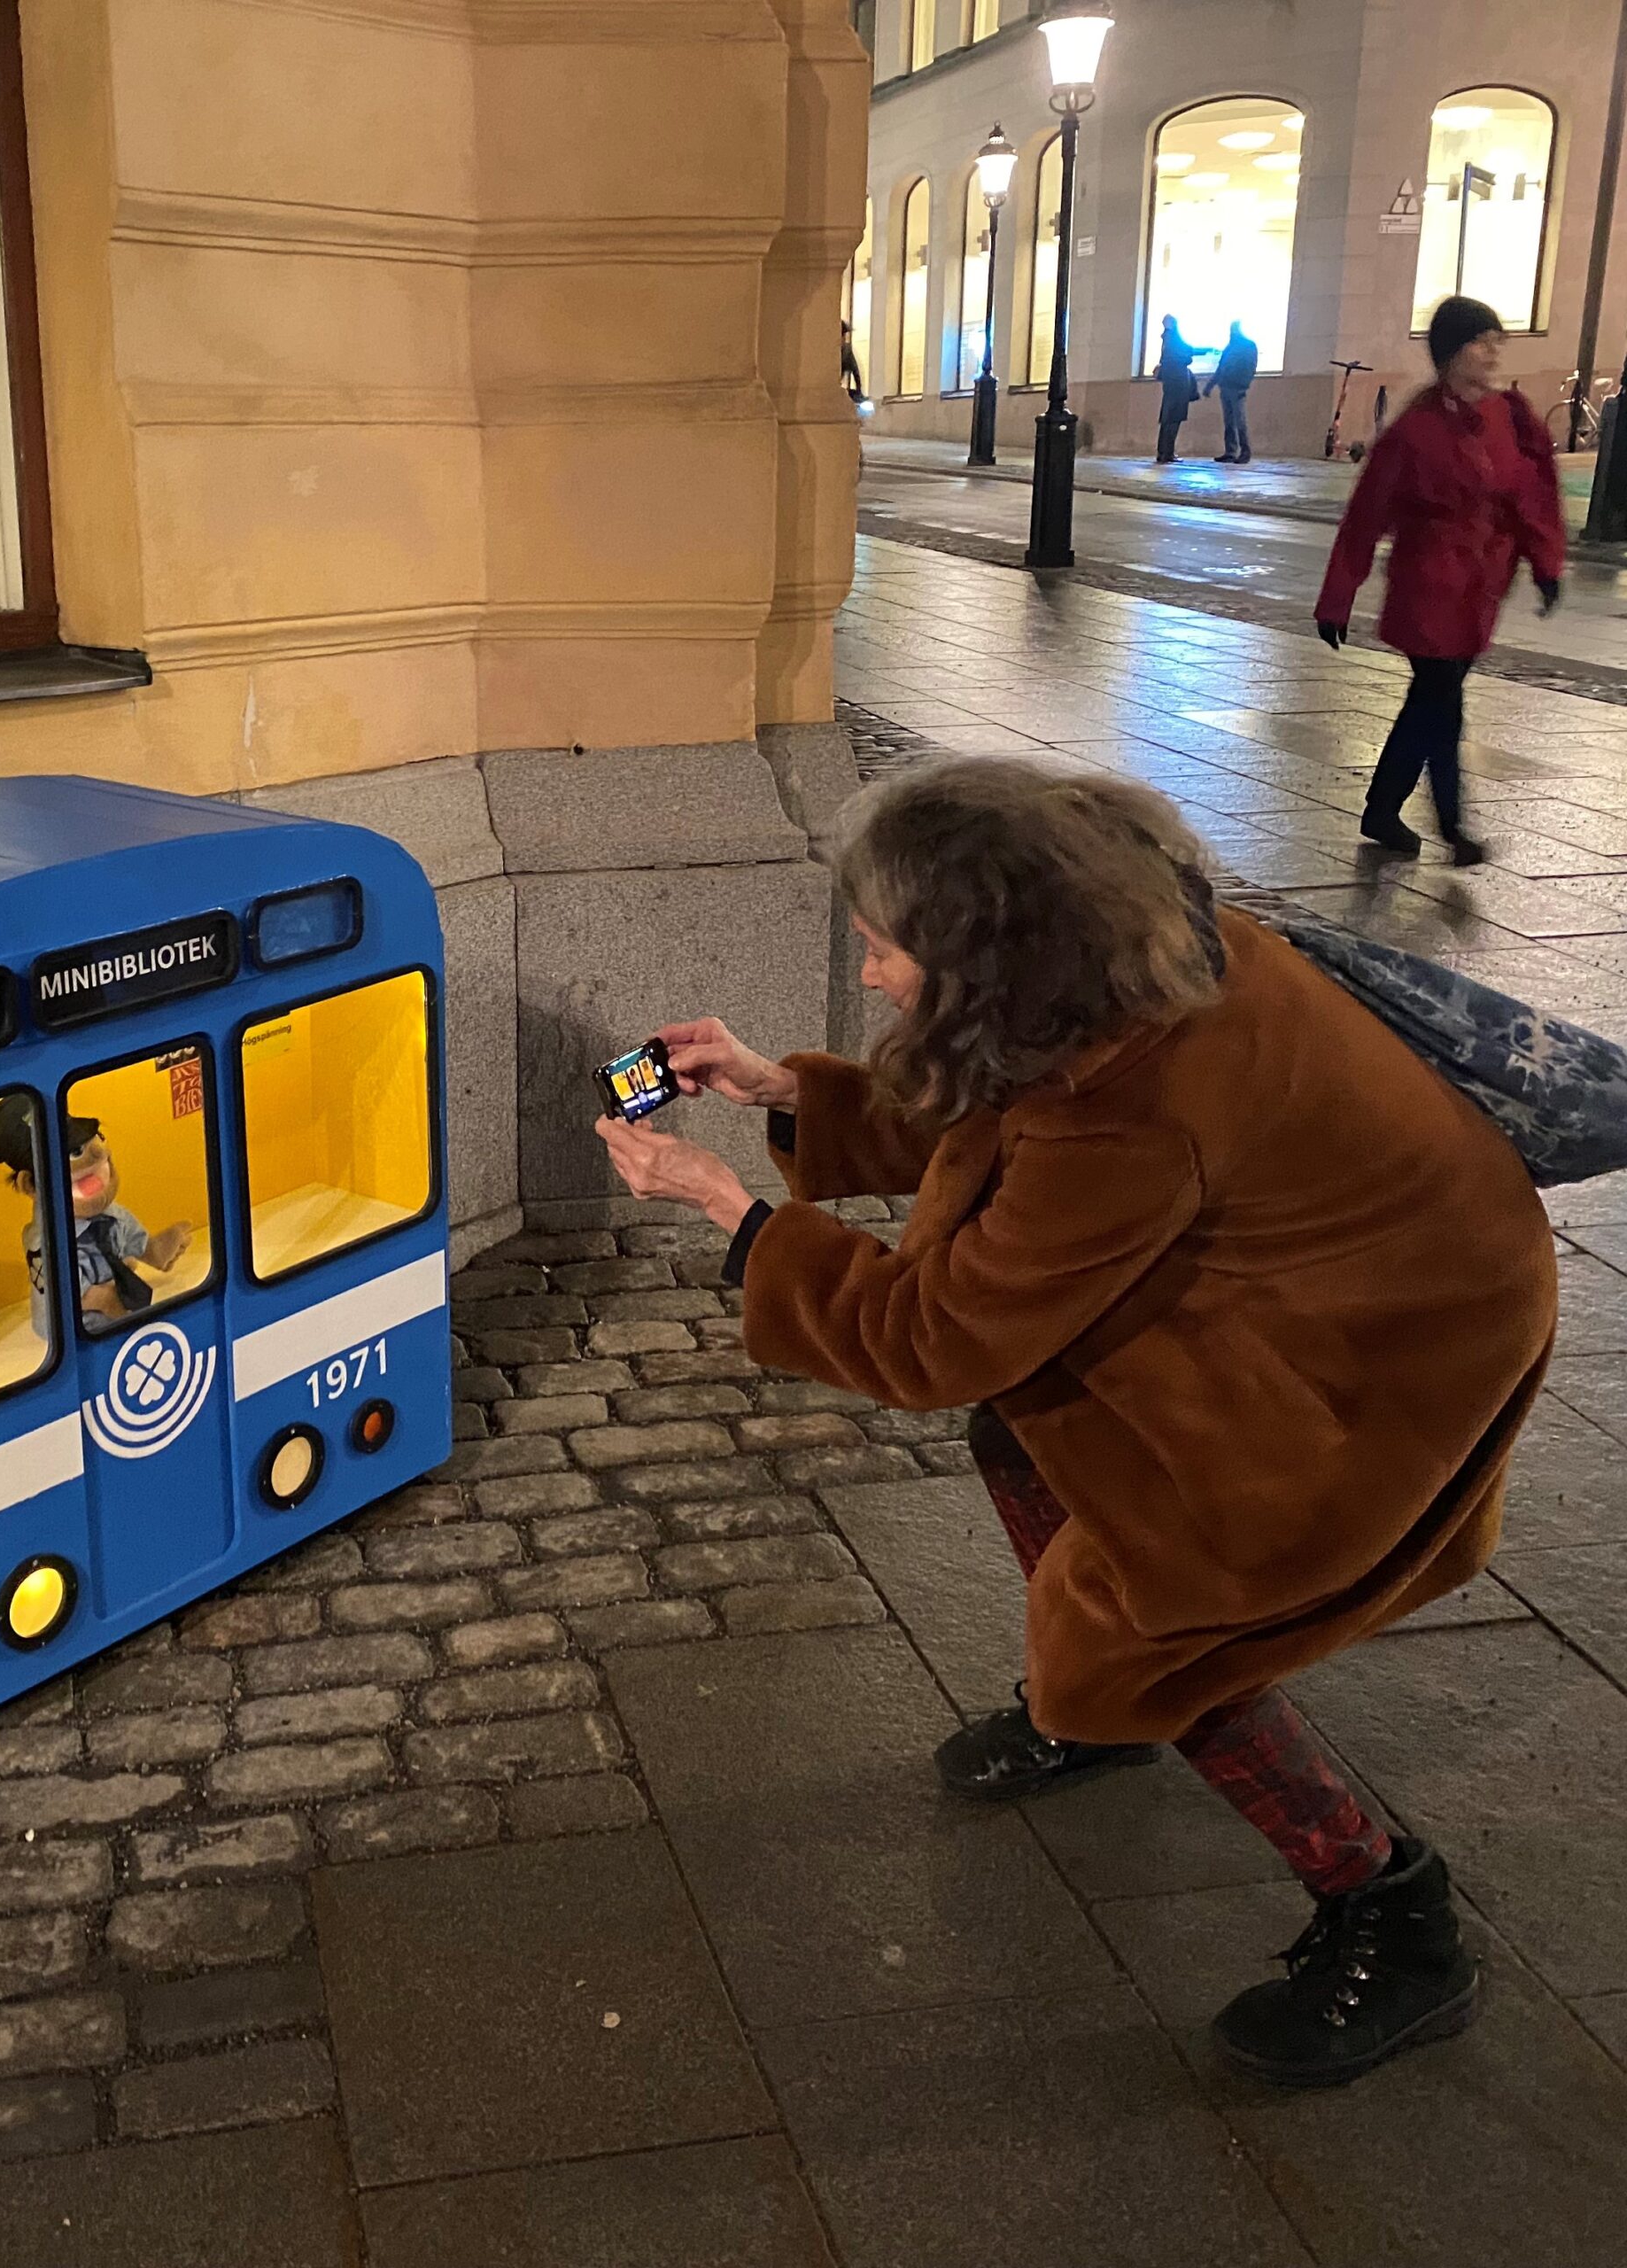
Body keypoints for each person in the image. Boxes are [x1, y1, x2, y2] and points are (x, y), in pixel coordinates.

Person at [593, 757, 1556, 2090]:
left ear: (986, 961)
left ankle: (1391, 1914)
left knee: (1164, 1630)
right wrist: (781, 1092)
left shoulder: (1134, 1114)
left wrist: (733, 1217)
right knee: (1028, 1429)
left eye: (882, 953)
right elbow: (1002, 1130)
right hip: (1336, 1278)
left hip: (1369, 1364)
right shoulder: (1119, 959)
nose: (868, 978)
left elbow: (929, 1336)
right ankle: (1096, 1717)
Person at [1317, 294, 1566, 868]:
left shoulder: (1513, 416)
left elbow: (1534, 497)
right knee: (1442, 701)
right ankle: (1454, 826)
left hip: (1479, 591)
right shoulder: (1415, 432)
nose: (1492, 351)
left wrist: (1546, 564)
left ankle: (1383, 809)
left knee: (1427, 703)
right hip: (1428, 587)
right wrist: (1337, 598)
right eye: (1481, 341)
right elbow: (1366, 516)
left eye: (1495, 340)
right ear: (1452, 353)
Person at [0, 1097, 192, 1339]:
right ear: (31, 1185)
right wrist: (110, 1301)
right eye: (76, 1152)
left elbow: (125, 1228)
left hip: (118, 1321)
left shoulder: (108, 1216)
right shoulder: (48, 1243)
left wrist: (152, 1250)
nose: (99, 1153)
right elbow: (70, 1292)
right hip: (72, 1334)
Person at [1153, 315, 1206, 463]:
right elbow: (1186, 353)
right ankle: (1168, 453)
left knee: (1167, 419)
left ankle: (1163, 452)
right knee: (1173, 419)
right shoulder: (1173, 339)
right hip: (1178, 384)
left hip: (1170, 384)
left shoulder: (1166, 340)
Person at [1208, 320, 1259, 463]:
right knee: (1229, 422)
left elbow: (1251, 366)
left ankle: (1245, 452)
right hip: (1226, 388)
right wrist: (1211, 385)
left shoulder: (1248, 346)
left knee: (1240, 421)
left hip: (1237, 388)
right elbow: (1221, 367)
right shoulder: (1230, 347)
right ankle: (1230, 451)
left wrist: (1243, 384)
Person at [841, 319, 865, 407]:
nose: (844, 338)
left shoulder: (847, 350)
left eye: (844, 335)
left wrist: (859, 391)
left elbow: (855, 371)